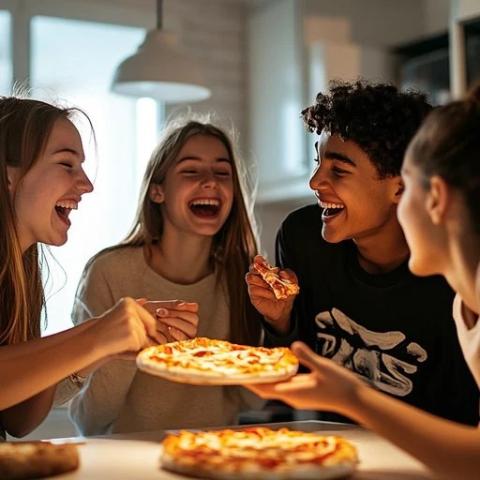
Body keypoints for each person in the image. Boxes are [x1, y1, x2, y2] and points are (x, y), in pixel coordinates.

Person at [247, 84, 480, 480]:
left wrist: (354, 397)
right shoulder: (467, 305)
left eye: (409, 188)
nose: (315, 182)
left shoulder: (459, 295)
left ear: (429, 196)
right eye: (318, 163)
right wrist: (281, 322)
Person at [69, 118, 263, 435]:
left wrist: (277, 323)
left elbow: (252, 400)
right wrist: (127, 347)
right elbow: (90, 420)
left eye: (222, 172)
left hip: (214, 459)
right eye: (191, 171)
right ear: (157, 191)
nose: (210, 182)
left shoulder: (242, 277)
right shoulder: (108, 272)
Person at [0, 96, 172, 440]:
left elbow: (18, 420)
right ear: (7, 175)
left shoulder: (21, 273)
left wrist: (101, 345)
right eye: (67, 164)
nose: (86, 185)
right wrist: (94, 336)